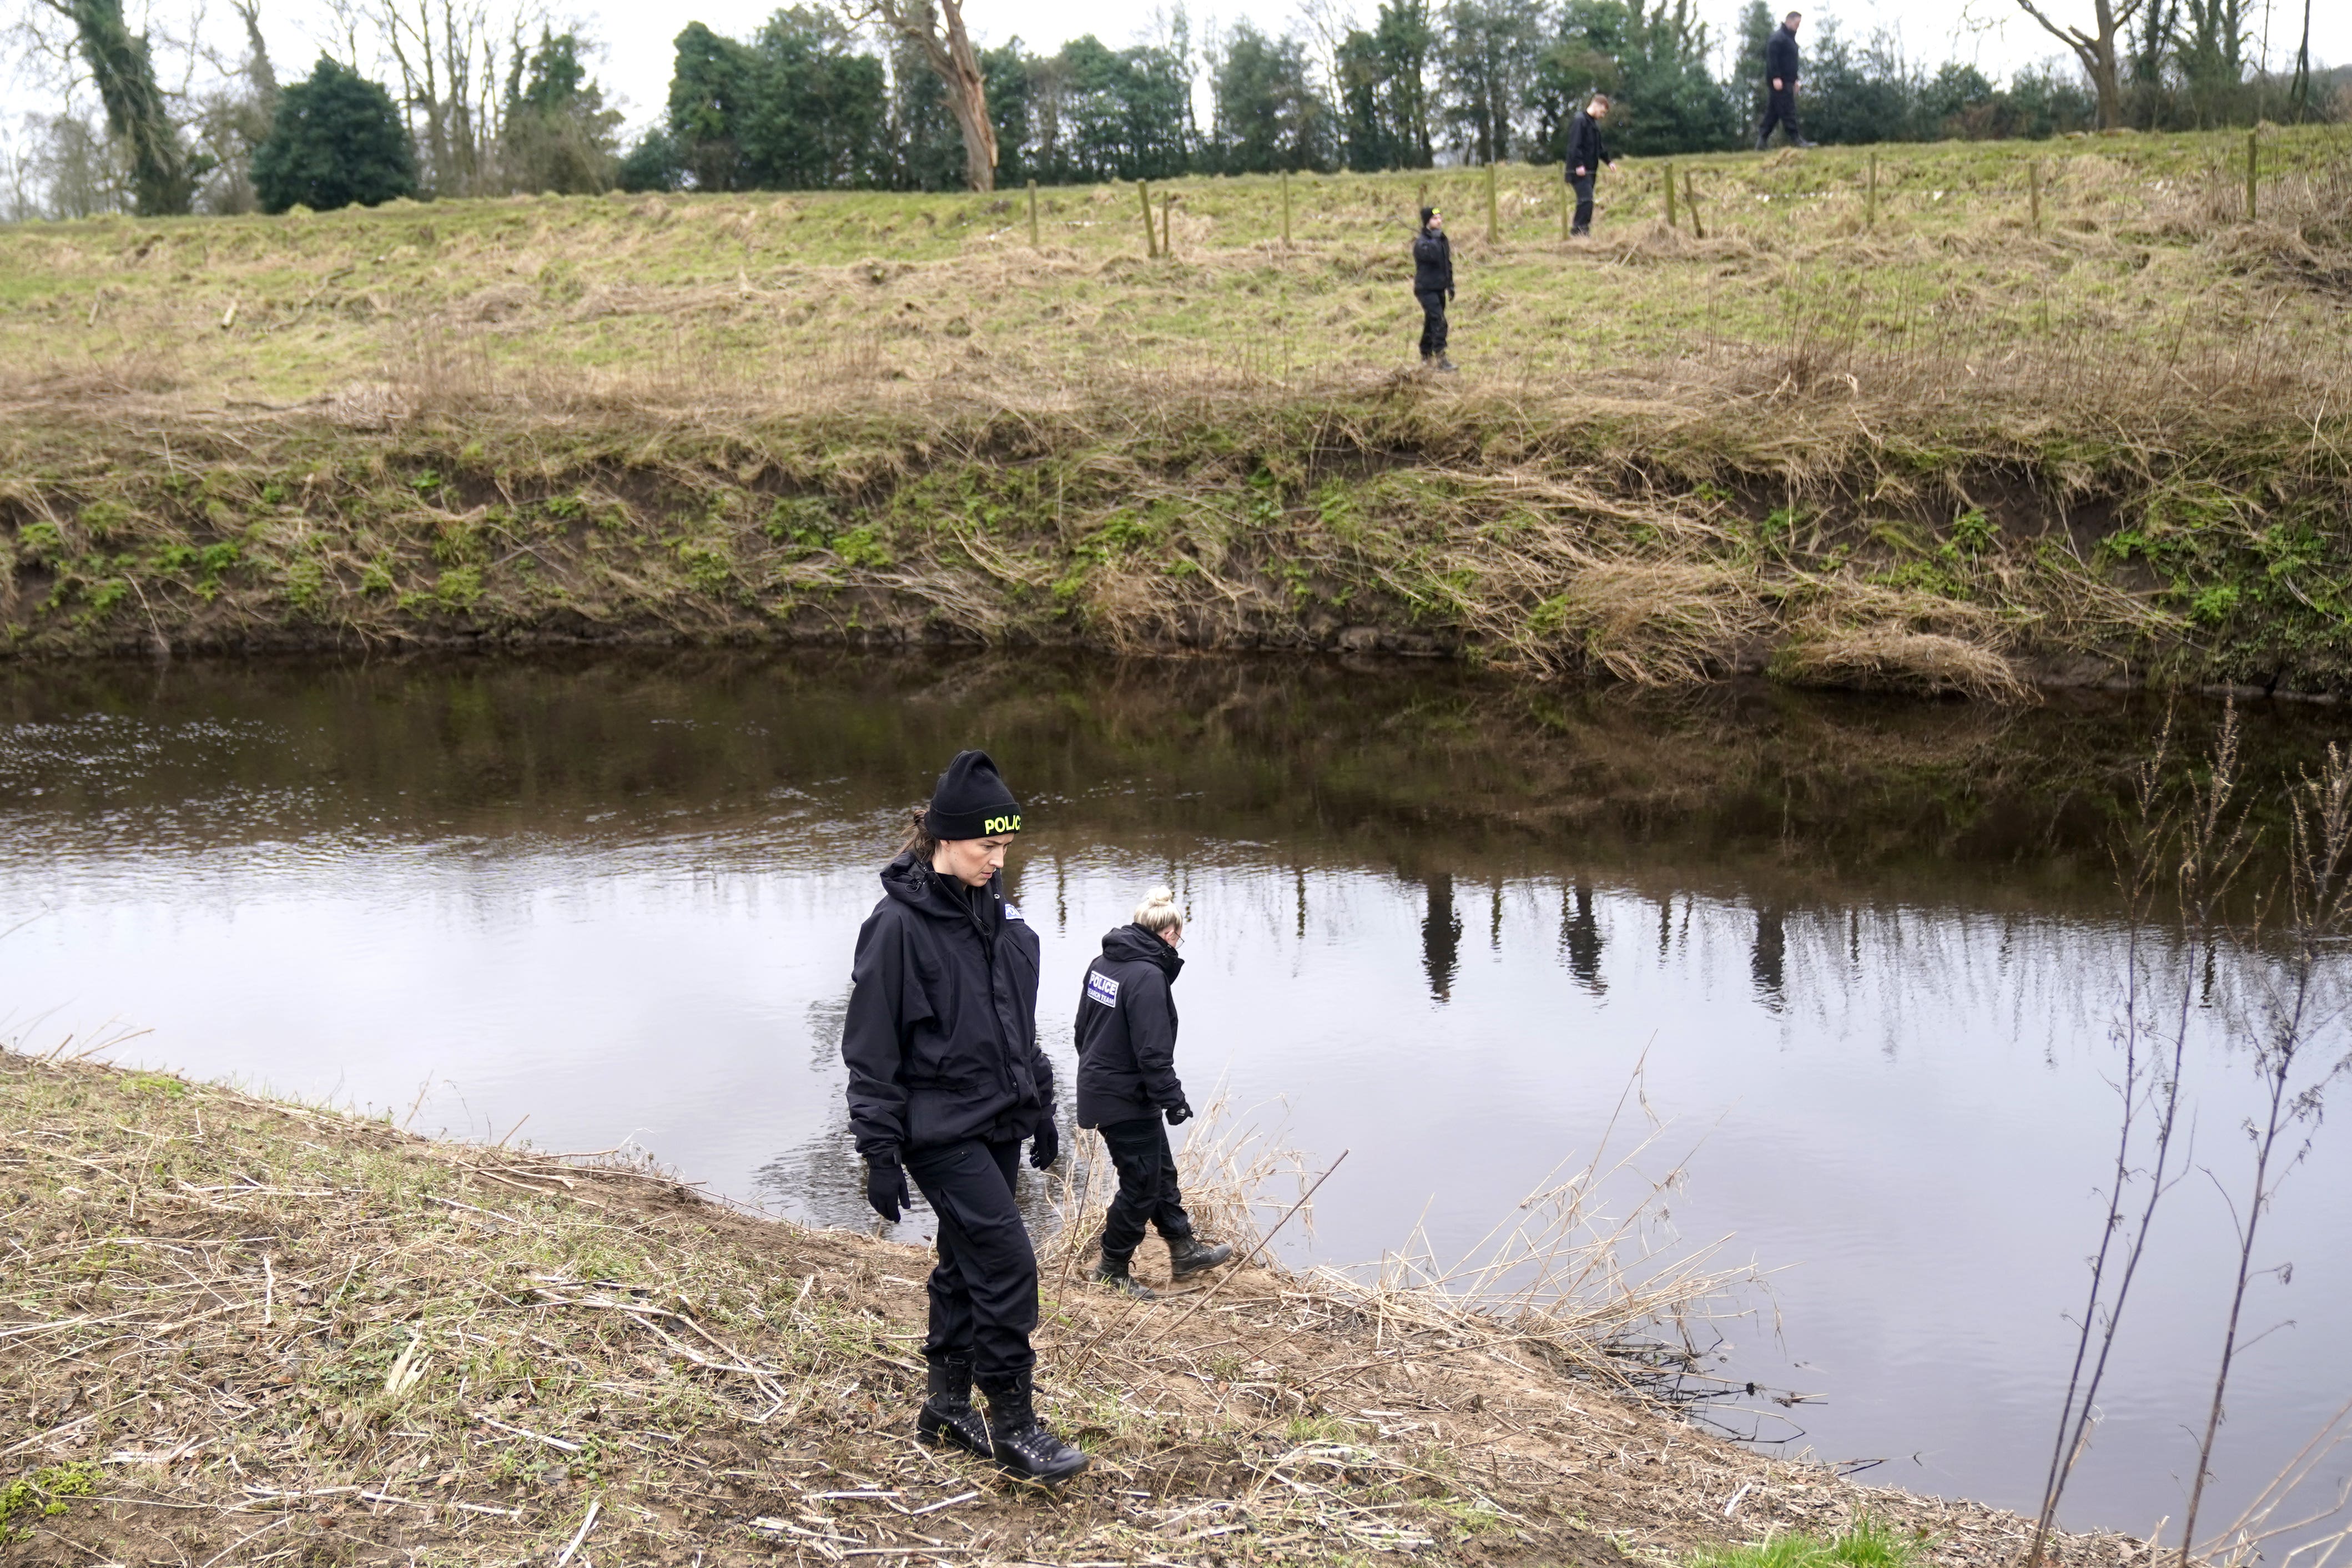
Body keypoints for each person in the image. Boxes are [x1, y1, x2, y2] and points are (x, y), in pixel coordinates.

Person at [840, 749, 1089, 1484]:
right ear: (945, 838)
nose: (997, 858)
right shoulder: (897, 928)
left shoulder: (1004, 922)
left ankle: (946, 1407)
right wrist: (879, 1149)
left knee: (963, 1262)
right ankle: (1015, 1424)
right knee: (1008, 1262)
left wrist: (1041, 1107)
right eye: (986, 845)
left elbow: (1019, 1026)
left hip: (997, 1121)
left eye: (1006, 845)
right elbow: (870, 1046)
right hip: (938, 1129)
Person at [1073, 887, 1235, 1300]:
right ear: (1168, 933)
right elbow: (1152, 1049)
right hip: (1124, 1095)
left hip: (1108, 1085)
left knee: (1158, 1172)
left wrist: (1107, 1074)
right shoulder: (1147, 975)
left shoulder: (1104, 963)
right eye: (1179, 938)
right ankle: (1111, 1267)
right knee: (1141, 1183)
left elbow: (1081, 1031)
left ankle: (1184, 1250)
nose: (1178, 945)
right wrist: (1173, 1098)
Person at [1756, 11, 1815, 149]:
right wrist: (1776, 77)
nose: (1798, 27)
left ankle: (1762, 141)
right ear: (1789, 21)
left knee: (1773, 113)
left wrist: (1795, 80)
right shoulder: (1778, 39)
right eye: (1797, 24)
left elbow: (1791, 63)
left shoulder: (1789, 40)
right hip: (1780, 82)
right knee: (1788, 110)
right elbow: (1772, 59)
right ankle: (1796, 139)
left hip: (1788, 81)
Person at [1565, 93, 1618, 238]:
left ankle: (1583, 231)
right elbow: (1574, 146)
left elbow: (1599, 148)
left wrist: (1609, 162)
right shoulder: (1580, 121)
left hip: (1590, 171)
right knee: (1586, 200)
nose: (1602, 115)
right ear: (1597, 105)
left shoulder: (1594, 125)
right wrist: (1578, 165)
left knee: (1587, 201)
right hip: (1578, 171)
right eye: (1603, 112)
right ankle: (1578, 232)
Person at [1412, 206, 1455, 373]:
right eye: (1435, 218)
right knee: (1439, 321)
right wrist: (1436, 239)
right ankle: (1441, 358)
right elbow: (1433, 255)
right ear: (1427, 222)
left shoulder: (1441, 240)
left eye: (1440, 218)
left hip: (1439, 288)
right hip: (1426, 289)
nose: (1440, 221)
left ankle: (1425, 354)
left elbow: (1446, 264)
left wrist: (1450, 284)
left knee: (1431, 322)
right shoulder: (1422, 244)